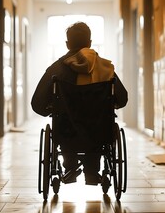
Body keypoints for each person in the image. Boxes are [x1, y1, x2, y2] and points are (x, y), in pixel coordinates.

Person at [31, 22, 128, 185]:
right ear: (90, 43)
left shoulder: (56, 69)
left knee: (66, 123)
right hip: (99, 131)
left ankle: (70, 167)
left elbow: (37, 103)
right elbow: (122, 98)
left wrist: (50, 109)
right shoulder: (105, 68)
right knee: (97, 127)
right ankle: (92, 171)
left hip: (66, 130)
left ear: (67, 44)